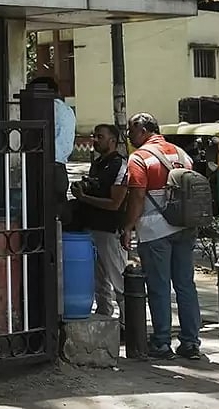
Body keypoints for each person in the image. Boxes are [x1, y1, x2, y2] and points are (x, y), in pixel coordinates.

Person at [120, 112, 201, 360]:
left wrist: (128, 227)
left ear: (142, 130)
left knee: (159, 286)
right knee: (185, 284)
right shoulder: (181, 154)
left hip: (155, 231)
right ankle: (190, 343)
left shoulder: (140, 157)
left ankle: (162, 343)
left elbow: (137, 197)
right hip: (185, 227)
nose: (129, 137)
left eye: (131, 132)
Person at [70, 123, 129, 319]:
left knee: (118, 278)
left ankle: (129, 323)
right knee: (99, 280)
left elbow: (115, 203)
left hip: (109, 228)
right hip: (91, 227)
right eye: (94, 136)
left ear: (113, 140)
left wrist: (84, 198)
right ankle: (104, 315)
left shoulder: (119, 164)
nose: (95, 140)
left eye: (100, 136)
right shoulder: (97, 163)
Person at [29, 76, 76, 220]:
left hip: (48, 165)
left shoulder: (48, 107)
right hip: (60, 166)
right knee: (58, 212)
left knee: (46, 214)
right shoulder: (66, 109)